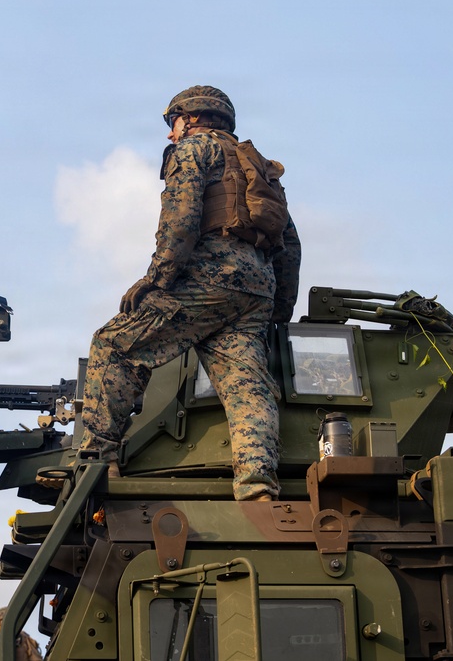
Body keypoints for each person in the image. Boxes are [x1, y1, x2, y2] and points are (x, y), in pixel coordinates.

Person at [78, 85, 301, 501]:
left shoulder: (194, 150)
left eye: (172, 122)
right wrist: (277, 312)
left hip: (207, 279)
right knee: (246, 386)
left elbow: (181, 218)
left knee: (115, 345)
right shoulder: (259, 166)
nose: (170, 134)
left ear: (193, 118)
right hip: (256, 291)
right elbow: (290, 244)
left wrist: (157, 279)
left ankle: (94, 463)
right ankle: (256, 486)